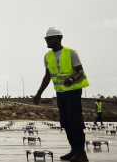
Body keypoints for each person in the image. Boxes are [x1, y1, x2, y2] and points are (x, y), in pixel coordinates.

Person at [34, 27, 89, 162]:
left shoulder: (71, 53)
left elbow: (80, 71)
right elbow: (47, 76)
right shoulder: (48, 56)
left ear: (59, 38)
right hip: (60, 93)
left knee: (75, 122)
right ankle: (74, 150)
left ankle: (82, 154)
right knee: (66, 122)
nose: (47, 41)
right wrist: (39, 93)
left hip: (73, 92)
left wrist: (72, 79)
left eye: (50, 39)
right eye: (46, 39)